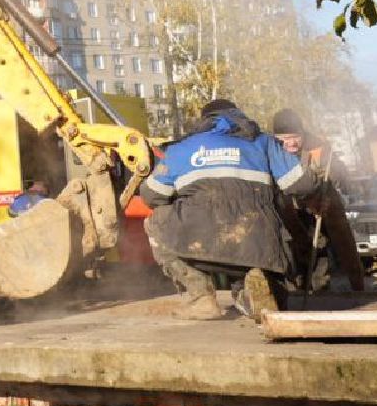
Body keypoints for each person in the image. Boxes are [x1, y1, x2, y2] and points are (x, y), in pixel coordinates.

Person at [141, 99, 315, 320]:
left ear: (205, 120)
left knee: (154, 222)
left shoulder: (181, 149)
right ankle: (253, 290)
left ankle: (201, 297)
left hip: (198, 242)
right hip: (258, 243)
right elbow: (301, 184)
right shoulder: (263, 142)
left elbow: (151, 196)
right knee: (258, 257)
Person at [271, 109, 365, 293]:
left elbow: (338, 174)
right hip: (292, 204)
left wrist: (335, 174)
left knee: (344, 242)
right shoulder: (271, 149)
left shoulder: (318, 147)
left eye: (295, 137)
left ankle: (358, 286)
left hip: (325, 199)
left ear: (303, 133)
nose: (291, 143)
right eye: (285, 138)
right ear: (276, 138)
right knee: (303, 244)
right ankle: (308, 288)